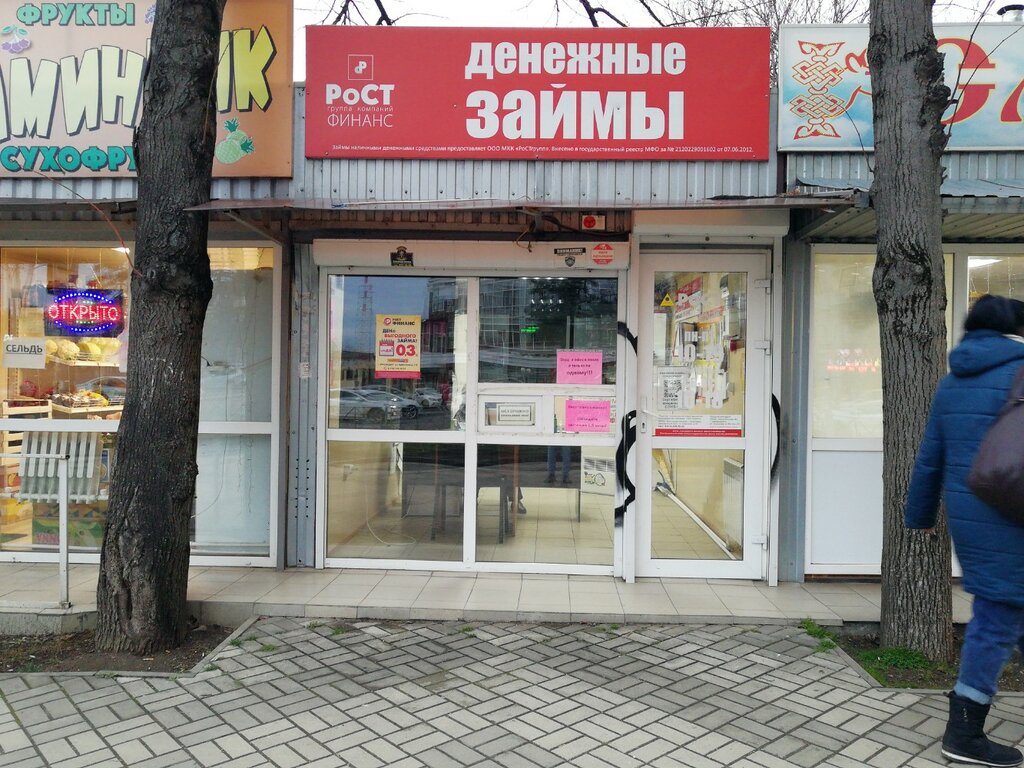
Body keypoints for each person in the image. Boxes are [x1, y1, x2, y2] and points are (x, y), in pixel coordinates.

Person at [905, 294, 1024, 768]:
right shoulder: (1020, 372)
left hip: (973, 523)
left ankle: (966, 726)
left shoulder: (951, 382)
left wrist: (919, 517)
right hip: (1014, 520)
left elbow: (929, 458)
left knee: (1006, 611)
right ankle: (964, 732)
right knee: (995, 621)